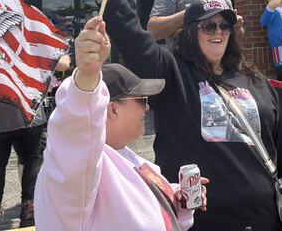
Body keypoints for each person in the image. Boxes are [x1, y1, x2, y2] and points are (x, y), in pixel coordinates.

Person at [84, 0, 282, 231]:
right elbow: (137, 43)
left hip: (265, 220)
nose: (218, 32)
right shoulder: (173, 74)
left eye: (224, 25)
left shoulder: (254, 80)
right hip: (200, 223)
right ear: (191, 32)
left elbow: (281, 138)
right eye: (208, 25)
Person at [35, 27, 205, 231]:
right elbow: (75, 128)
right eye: (142, 99)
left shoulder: (126, 156)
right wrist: (87, 75)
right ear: (112, 109)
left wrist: (178, 201)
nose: (148, 106)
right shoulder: (75, 164)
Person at [0, 54, 70, 231]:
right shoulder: (31, 45)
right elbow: (63, 64)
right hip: (30, 117)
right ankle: (29, 211)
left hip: (0, 119)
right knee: (32, 161)